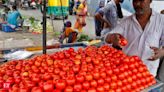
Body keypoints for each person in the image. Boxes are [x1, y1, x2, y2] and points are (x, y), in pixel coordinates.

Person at [105, 0, 164, 76]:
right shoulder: (126, 22)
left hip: (149, 72)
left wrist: (162, 52)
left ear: (150, 1)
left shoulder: (161, 20)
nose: (137, 4)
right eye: (135, 1)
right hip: (127, 71)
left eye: (142, 0)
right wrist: (112, 37)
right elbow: (107, 38)